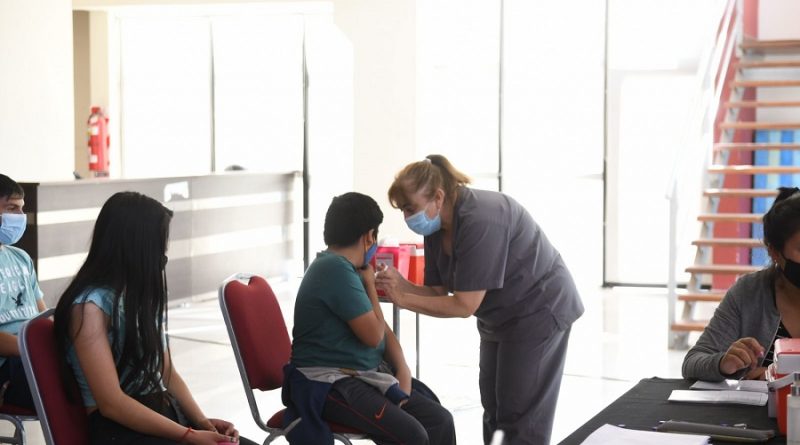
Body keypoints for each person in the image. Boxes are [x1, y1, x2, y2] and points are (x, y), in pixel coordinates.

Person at [377, 155, 585, 445]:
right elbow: (437, 293)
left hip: (539, 309)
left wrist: (403, 299)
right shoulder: (436, 228)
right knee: (495, 407)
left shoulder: (482, 218)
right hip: (498, 318)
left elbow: (465, 305)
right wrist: (402, 285)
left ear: (438, 197)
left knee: (520, 415)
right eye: (402, 210)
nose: (407, 217)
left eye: (410, 208)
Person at [53, 191, 257, 445]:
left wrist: (202, 422)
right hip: (120, 430)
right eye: (159, 245)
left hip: (160, 414)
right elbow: (111, 403)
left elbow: (167, 371)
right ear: (135, 247)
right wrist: (189, 435)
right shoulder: (89, 307)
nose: (163, 254)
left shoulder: (137, 295)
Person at [284, 192, 456, 445]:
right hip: (328, 384)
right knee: (413, 435)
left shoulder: (345, 268)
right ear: (369, 237)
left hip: (359, 376)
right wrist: (371, 287)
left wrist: (403, 369)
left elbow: (382, 329)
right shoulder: (335, 270)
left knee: (439, 420)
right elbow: (375, 336)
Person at [682, 186, 800, 382]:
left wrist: (781, 377)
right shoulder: (749, 292)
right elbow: (692, 362)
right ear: (775, 252)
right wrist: (724, 363)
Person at [0, 174, 46, 409]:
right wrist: (35, 348)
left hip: (30, 355)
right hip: (9, 364)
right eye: (11, 208)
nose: (20, 216)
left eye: (21, 208)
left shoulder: (21, 258)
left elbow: (42, 317)